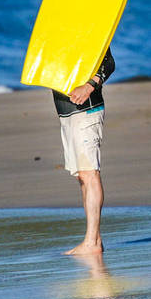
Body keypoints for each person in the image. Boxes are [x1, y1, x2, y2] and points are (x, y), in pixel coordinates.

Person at [55, 48, 114, 255]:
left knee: (89, 173)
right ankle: (94, 239)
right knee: (82, 175)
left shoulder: (88, 22)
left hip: (87, 109)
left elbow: (108, 62)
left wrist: (89, 86)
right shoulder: (58, 28)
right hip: (67, 111)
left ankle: (92, 242)